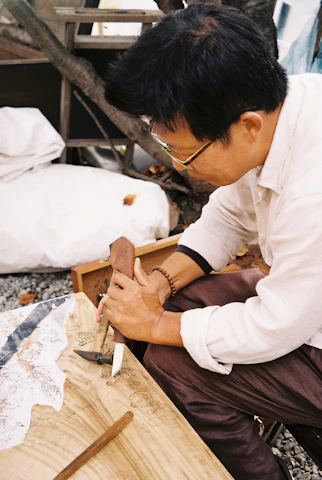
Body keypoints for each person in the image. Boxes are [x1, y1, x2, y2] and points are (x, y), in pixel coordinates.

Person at [97, 4, 322, 479]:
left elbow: (276, 326)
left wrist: (155, 325)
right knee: (187, 302)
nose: (181, 167)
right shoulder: (283, 105)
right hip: (305, 302)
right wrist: (159, 285)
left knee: (177, 367)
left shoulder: (312, 192)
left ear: (248, 126)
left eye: (185, 154)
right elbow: (228, 216)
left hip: (310, 329)